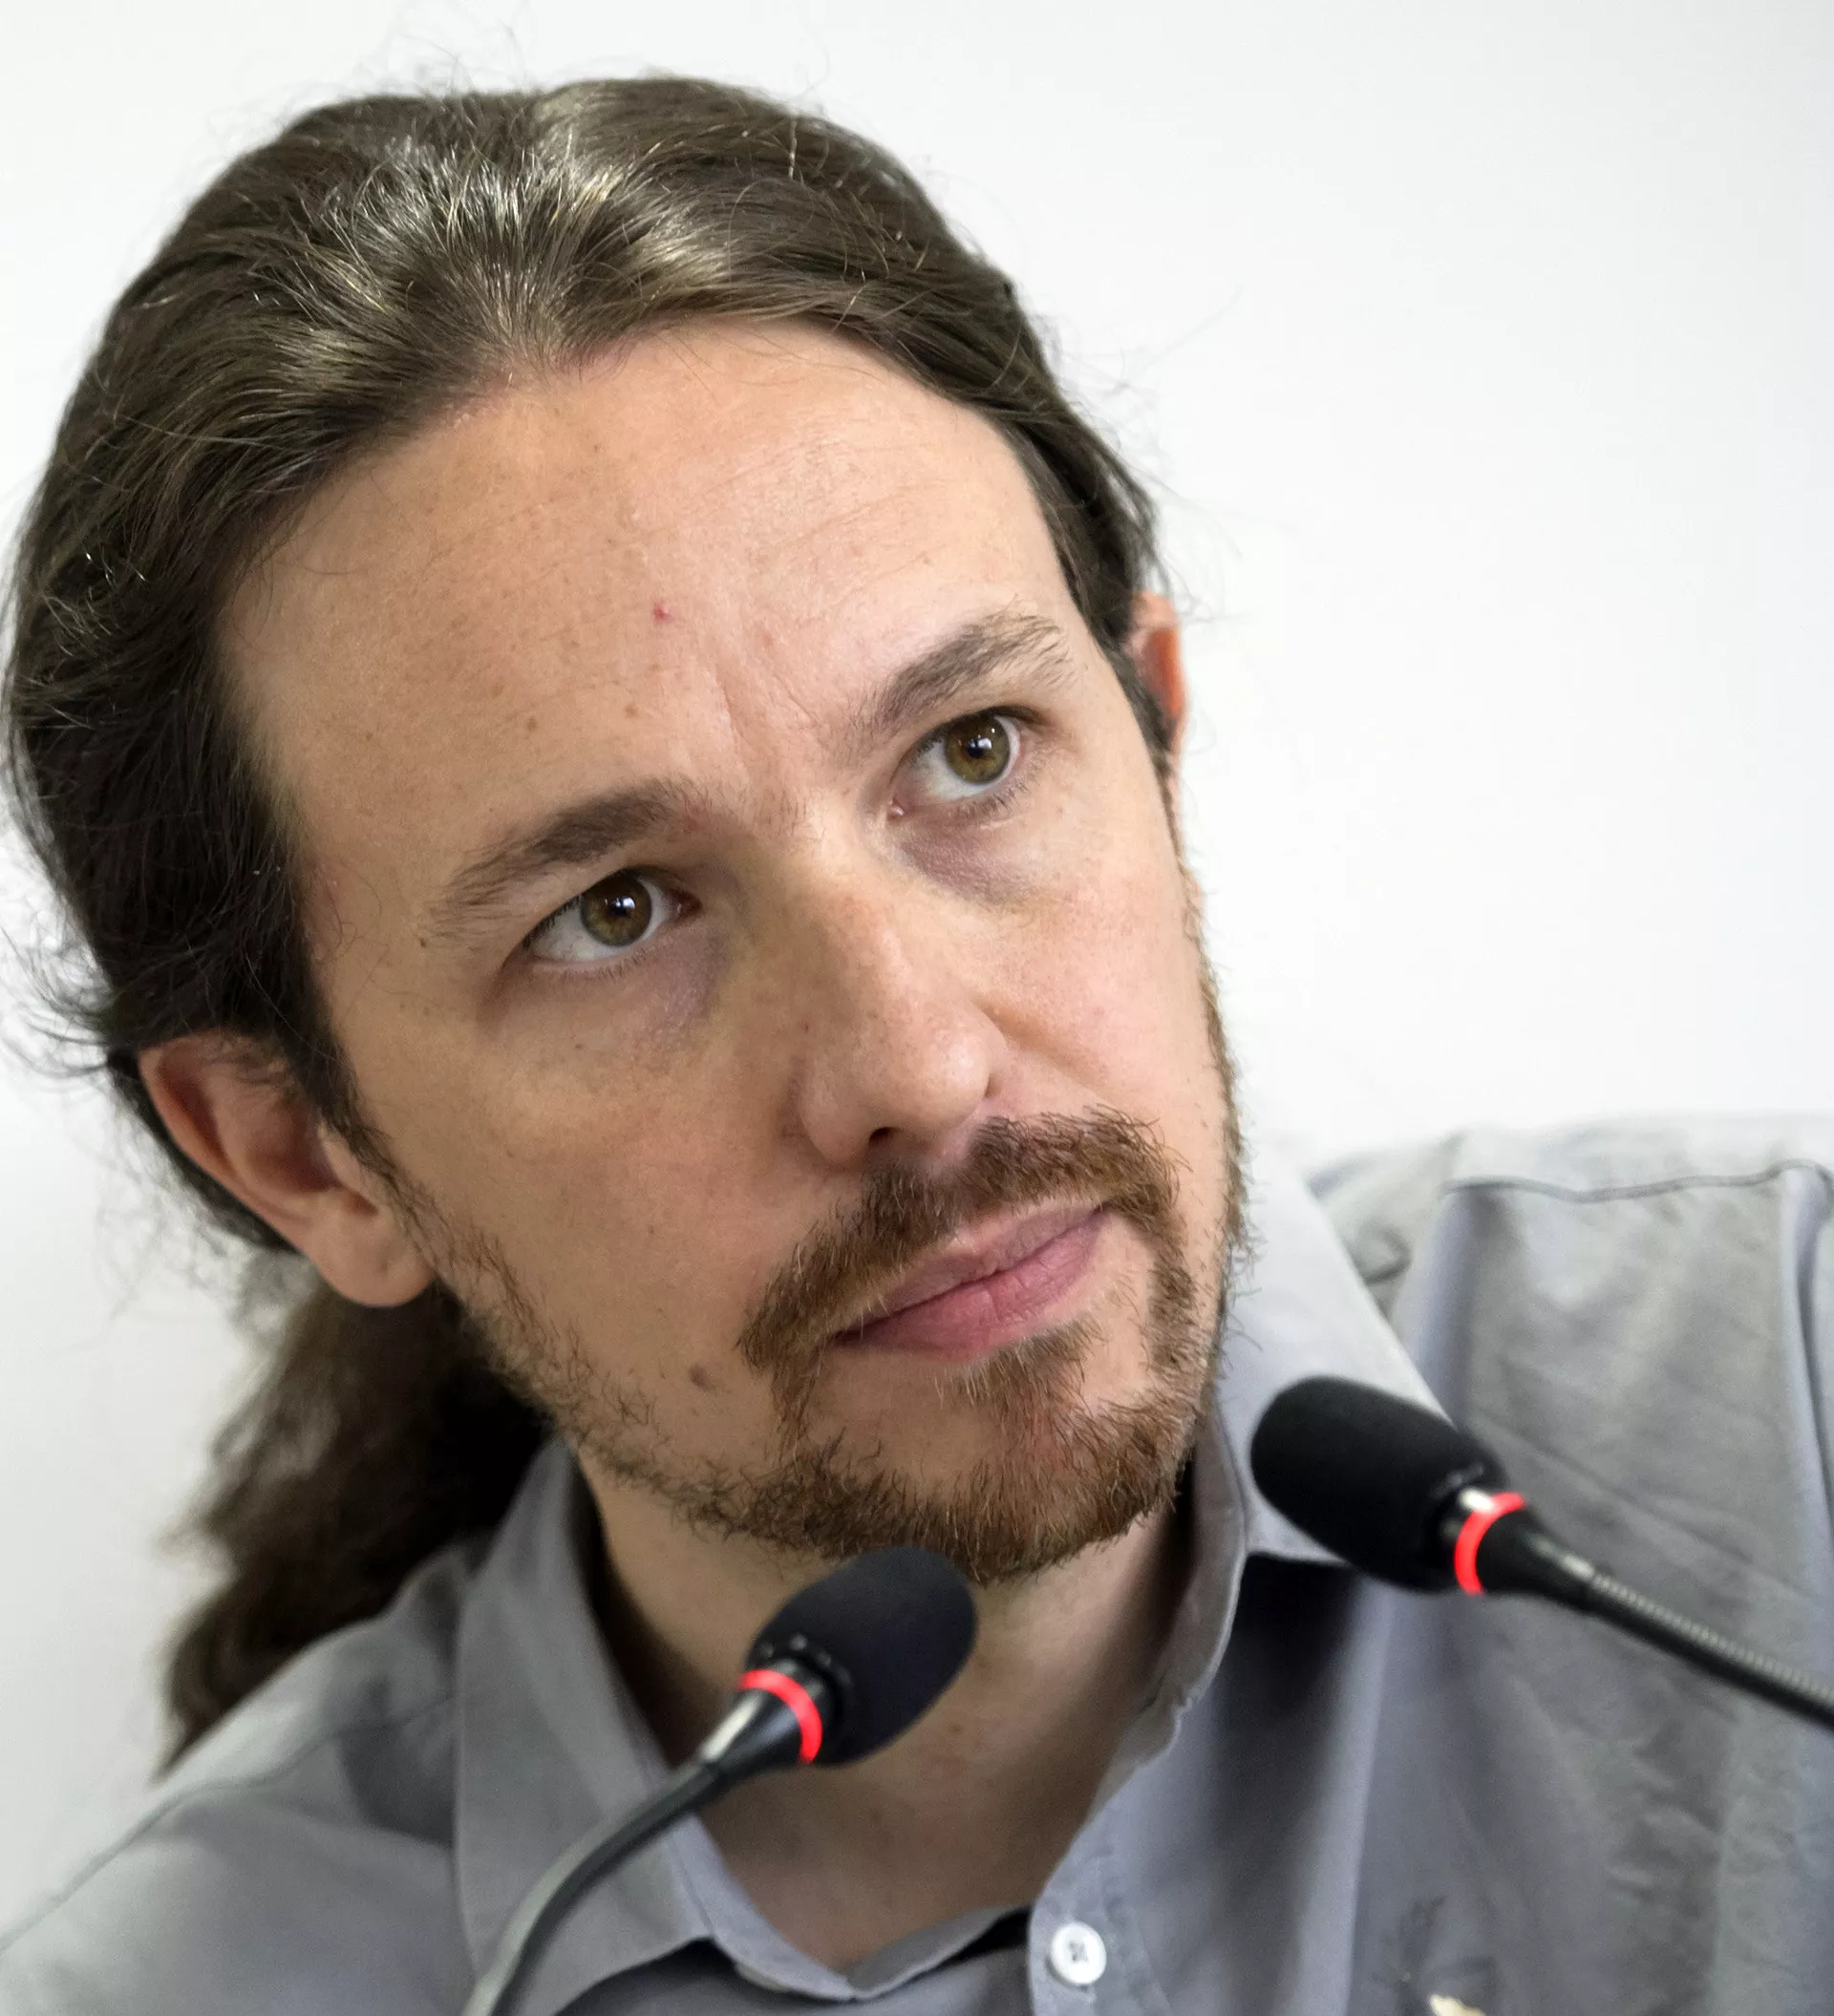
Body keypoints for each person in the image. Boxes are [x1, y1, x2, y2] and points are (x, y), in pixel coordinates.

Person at [1, 76, 1829, 2016]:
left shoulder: (1790, 1383)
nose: (922, 1068)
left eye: (972, 752)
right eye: (613, 911)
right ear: (305, 1153)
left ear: (1154, 738)